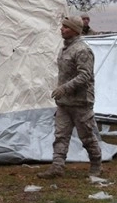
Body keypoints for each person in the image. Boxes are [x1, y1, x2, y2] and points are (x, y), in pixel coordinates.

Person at [38, 16, 102, 179]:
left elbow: (85, 75)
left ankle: (96, 164)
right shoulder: (64, 49)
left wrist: (64, 89)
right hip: (65, 103)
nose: (62, 29)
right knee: (60, 135)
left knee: (87, 136)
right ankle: (57, 166)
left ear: (74, 30)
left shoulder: (82, 50)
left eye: (66, 27)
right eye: (62, 26)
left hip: (80, 102)